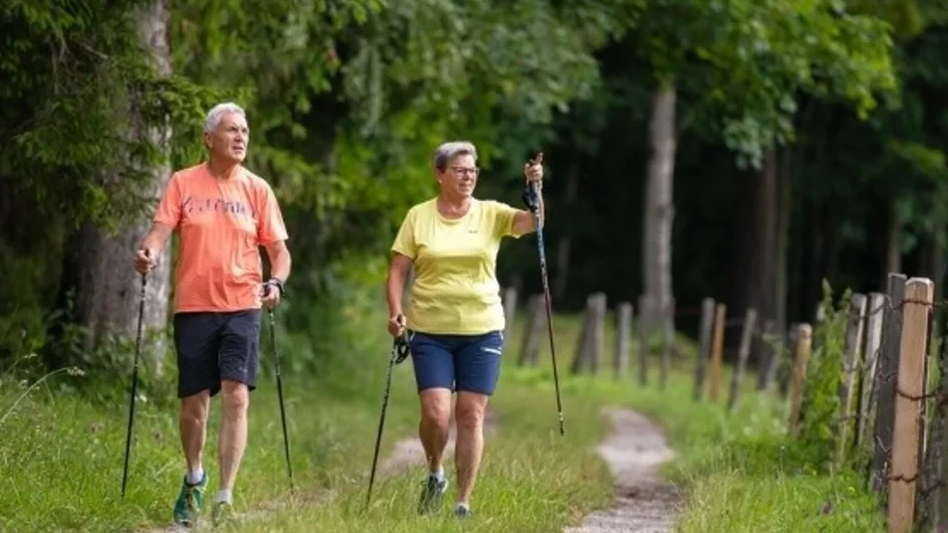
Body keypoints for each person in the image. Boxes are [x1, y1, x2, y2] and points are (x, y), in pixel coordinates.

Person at [134, 102, 291, 527]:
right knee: (194, 406)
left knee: (237, 393)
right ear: (209, 139)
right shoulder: (184, 182)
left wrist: (275, 284)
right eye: (231, 130)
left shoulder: (257, 189)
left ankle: (225, 495)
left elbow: (279, 253)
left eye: (244, 131)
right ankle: (195, 476)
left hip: (243, 303)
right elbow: (160, 231)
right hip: (195, 305)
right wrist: (148, 252)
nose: (240, 137)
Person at [385, 141, 544, 518]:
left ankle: (462, 502)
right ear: (440, 174)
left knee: (471, 414)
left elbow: (534, 222)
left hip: (483, 328)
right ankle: (435, 471)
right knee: (437, 414)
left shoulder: (490, 213)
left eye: (472, 170)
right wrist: (395, 312)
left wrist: (536, 188)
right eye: (459, 170)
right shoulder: (419, 217)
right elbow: (397, 270)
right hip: (430, 329)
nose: (468, 176)